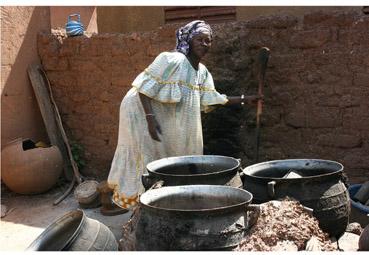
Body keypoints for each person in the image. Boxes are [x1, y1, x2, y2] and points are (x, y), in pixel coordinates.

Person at [107, 20, 262, 210]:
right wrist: (149, 119)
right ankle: (136, 202)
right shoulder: (173, 60)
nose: (205, 44)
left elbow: (211, 98)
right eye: (200, 39)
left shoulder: (202, 72)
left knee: (168, 152)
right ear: (188, 40)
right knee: (144, 151)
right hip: (139, 110)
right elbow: (143, 88)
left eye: (208, 40)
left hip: (158, 113)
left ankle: (163, 199)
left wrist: (246, 99)